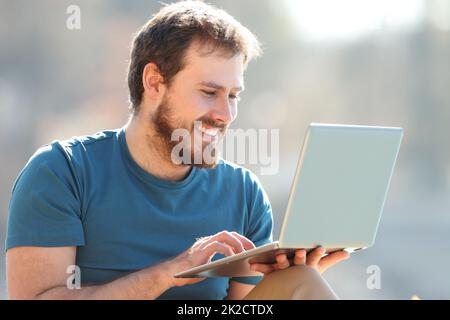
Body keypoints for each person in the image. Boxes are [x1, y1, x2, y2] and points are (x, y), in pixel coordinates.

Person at [5, 1, 349, 300]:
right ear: (154, 82)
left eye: (233, 96)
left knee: (301, 278)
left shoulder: (243, 194)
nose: (225, 115)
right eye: (209, 92)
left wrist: (285, 281)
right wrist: (168, 274)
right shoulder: (62, 172)